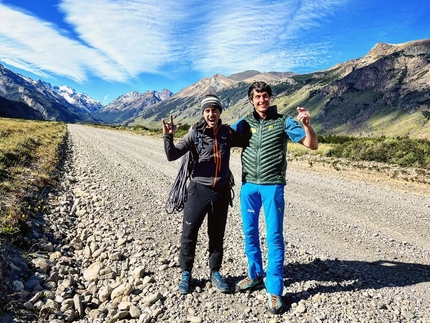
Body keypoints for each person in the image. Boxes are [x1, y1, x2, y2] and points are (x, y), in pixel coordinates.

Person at [230, 81, 318, 314]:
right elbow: (220, 135)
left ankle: (275, 288)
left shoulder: (284, 121)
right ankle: (255, 275)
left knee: (274, 236)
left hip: (273, 187)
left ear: (270, 98)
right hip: (248, 186)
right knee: (249, 232)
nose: (262, 100)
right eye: (257, 97)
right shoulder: (243, 123)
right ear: (251, 100)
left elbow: (312, 145)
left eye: (265, 96)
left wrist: (307, 126)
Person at [163, 94, 245, 295]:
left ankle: (215, 272)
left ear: (219, 112)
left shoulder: (227, 132)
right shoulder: (195, 134)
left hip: (221, 191)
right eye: (207, 110)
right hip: (198, 190)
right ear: (203, 113)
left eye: (214, 110)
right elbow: (171, 155)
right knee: (189, 234)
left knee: (217, 234)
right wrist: (168, 136)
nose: (211, 114)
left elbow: (246, 141)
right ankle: (186, 273)